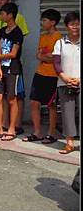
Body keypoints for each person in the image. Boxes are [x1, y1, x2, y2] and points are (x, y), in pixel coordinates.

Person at [0, 0, 29, 135]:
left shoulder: (19, 20)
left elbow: (17, 46)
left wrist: (1, 57)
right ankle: (1, 126)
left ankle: (15, 126)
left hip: (13, 66)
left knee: (15, 96)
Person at [22, 9, 62, 144]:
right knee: (34, 102)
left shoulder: (58, 37)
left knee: (51, 105)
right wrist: (46, 57)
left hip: (53, 75)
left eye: (44, 20)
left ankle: (51, 133)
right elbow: (38, 55)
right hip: (40, 73)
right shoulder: (43, 37)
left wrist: (46, 57)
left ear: (53, 22)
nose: (42, 23)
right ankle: (37, 132)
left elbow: (56, 58)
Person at [53, 12, 80, 155]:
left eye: (77, 23)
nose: (75, 27)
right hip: (64, 83)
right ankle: (69, 143)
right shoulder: (60, 43)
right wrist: (65, 78)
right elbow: (56, 63)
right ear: (66, 26)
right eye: (72, 24)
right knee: (67, 113)